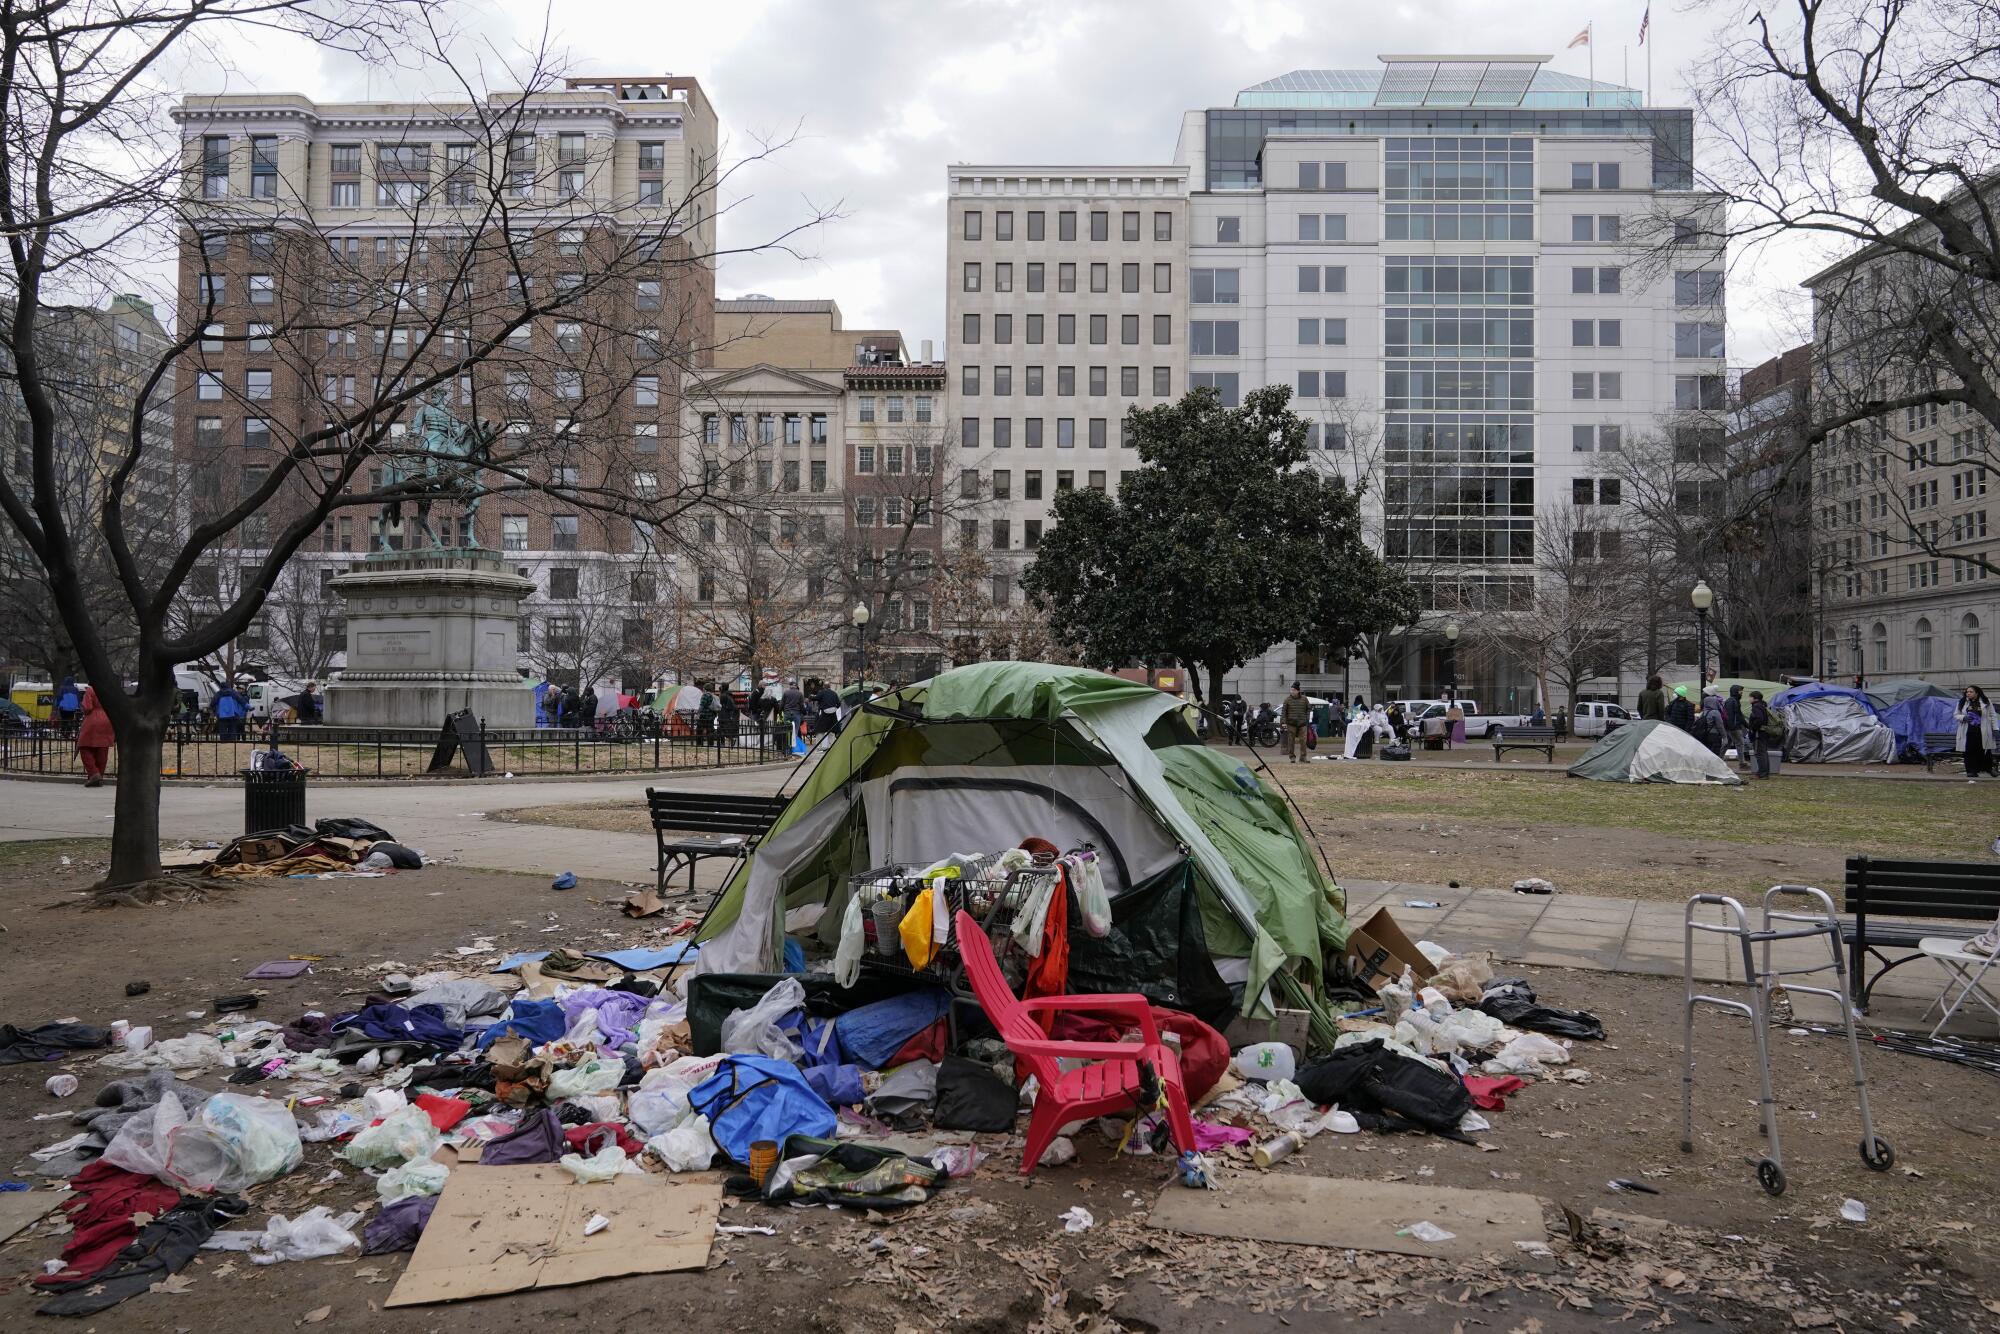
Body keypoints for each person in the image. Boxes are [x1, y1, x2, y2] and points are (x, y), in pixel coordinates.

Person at [75, 685, 114, 788]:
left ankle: (94, 774)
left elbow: (87, 707)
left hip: (93, 719)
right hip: (107, 719)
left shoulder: (91, 689)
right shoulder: (109, 689)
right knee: (102, 749)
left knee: (84, 747)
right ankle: (99, 776)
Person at [1956, 686, 1995, 780]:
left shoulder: (1986, 701)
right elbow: (1956, 715)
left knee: (1985, 750)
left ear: (1977, 693)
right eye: (1967, 692)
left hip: (1983, 730)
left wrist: (1996, 729)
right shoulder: (1962, 702)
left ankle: (1988, 769)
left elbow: (1992, 715)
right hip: (1968, 730)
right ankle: (1971, 771)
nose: (1968, 693)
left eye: (1971, 692)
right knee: (1969, 752)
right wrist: (1963, 717)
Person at [1747, 689, 1777, 780]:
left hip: (1758, 733)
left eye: (1750, 697)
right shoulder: (1763, 705)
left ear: (1755, 698)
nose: (1749, 699)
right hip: (1763, 732)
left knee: (1760, 753)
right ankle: (1763, 772)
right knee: (1763, 753)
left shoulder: (1756, 707)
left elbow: (1759, 719)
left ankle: (1762, 774)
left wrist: (1753, 728)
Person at [1281, 682, 1311, 763]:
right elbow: (1283, 712)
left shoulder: (1304, 699)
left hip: (1302, 723)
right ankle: (1292, 757)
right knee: (1291, 741)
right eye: (1291, 690)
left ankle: (1303, 757)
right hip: (1291, 723)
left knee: (1303, 741)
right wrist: (1283, 722)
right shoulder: (1287, 700)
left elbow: (1308, 708)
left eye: (1293, 690)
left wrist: (1306, 718)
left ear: (1298, 691)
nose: (1292, 691)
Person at [1722, 684, 1748, 768]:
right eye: (1740, 691)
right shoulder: (1732, 701)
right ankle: (1742, 762)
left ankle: (1718, 758)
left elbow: (1739, 715)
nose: (1741, 693)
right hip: (1734, 727)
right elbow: (1732, 715)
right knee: (1740, 743)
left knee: (1727, 743)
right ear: (1736, 691)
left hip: (1731, 726)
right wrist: (1732, 726)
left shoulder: (1733, 700)